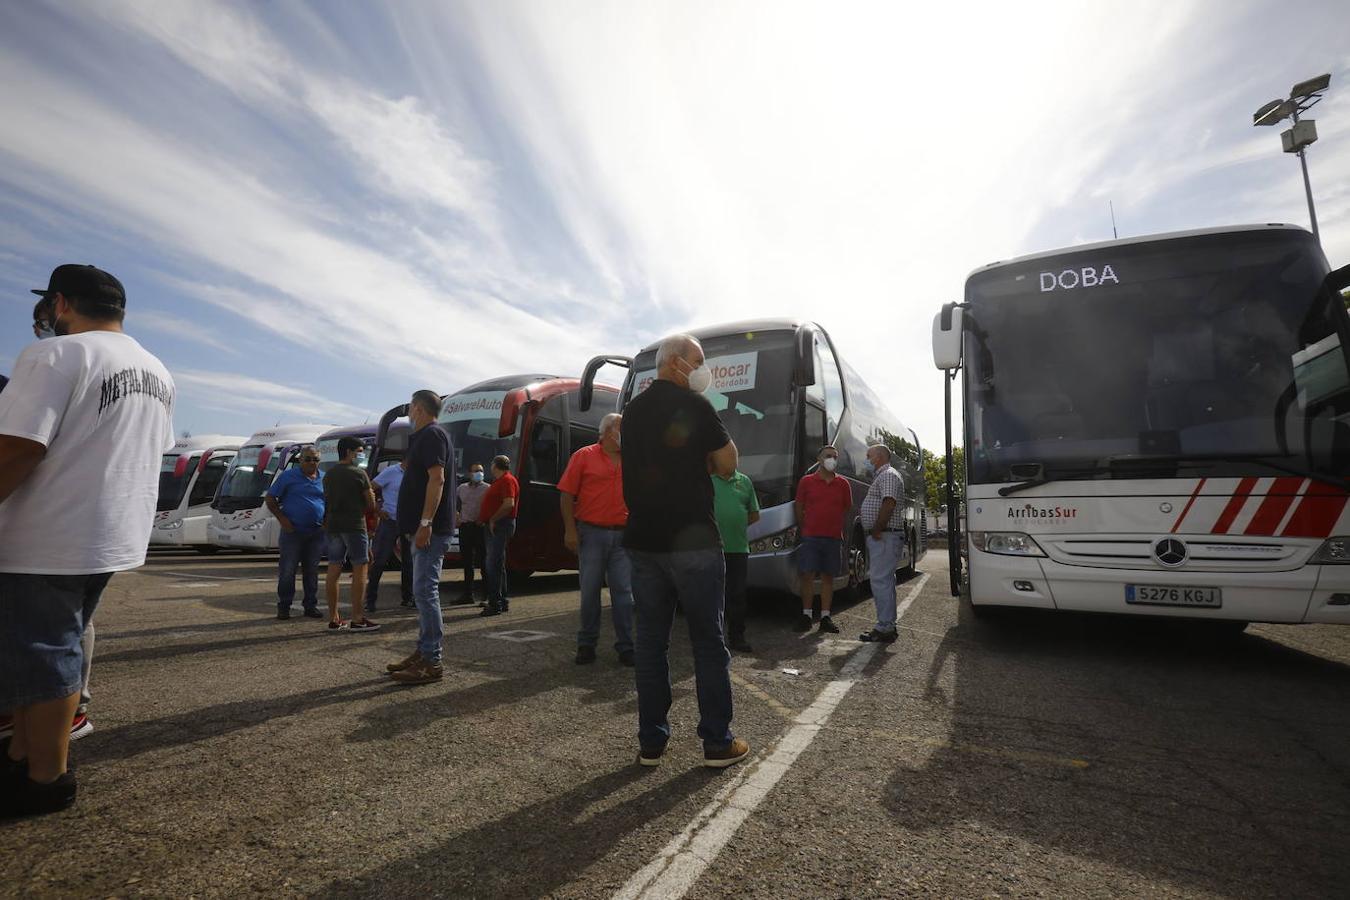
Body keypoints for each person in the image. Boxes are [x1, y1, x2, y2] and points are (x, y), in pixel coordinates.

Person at [0, 264, 175, 817]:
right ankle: (23, 756)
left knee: (44, 653)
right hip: (109, 534)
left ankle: (46, 779)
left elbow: (21, 447)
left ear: (61, 304)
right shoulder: (156, 370)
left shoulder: (57, 355)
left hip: (45, 532)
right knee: (51, 650)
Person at [622, 333, 749, 769]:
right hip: (693, 543)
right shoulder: (696, 406)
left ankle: (651, 743)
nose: (702, 369)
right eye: (697, 361)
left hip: (642, 542)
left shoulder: (632, 412)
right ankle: (717, 742)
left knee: (651, 644)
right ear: (675, 363)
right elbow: (728, 463)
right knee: (709, 643)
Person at [386, 390, 455, 685]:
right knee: (423, 593)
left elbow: (437, 479)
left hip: (429, 528)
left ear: (417, 408)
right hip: (421, 528)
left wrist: (425, 523)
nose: (409, 413)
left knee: (426, 592)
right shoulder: (429, 436)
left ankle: (432, 661)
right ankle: (423, 651)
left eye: (411, 408)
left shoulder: (432, 435)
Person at [559, 413, 633, 666]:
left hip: (623, 535)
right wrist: (570, 530)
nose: (627, 433)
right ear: (608, 431)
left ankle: (626, 646)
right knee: (590, 592)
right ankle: (586, 644)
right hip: (591, 533)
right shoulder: (584, 455)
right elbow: (567, 494)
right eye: (623, 428)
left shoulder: (633, 459)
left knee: (624, 592)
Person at [793, 445, 851, 635]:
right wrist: (806, 528)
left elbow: (845, 508)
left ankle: (825, 616)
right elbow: (799, 507)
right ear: (819, 459)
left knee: (828, 578)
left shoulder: (843, 484)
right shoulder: (806, 482)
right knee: (807, 576)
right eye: (828, 456)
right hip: (810, 537)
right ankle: (806, 615)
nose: (832, 459)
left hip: (833, 538)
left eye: (835, 456)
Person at [323, 436, 378, 631]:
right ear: (348, 452)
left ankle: (334, 618)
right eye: (359, 451)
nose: (361, 455)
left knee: (333, 569)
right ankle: (357, 617)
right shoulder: (359, 474)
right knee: (360, 568)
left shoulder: (328, 475)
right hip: (354, 525)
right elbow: (371, 504)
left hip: (333, 526)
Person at [267, 446, 326, 620]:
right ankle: (284, 606)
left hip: (316, 533)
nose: (311, 463)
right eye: (307, 459)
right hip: (293, 532)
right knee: (288, 570)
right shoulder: (288, 476)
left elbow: (328, 501)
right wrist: (283, 520)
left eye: (315, 460)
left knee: (312, 571)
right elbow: (270, 499)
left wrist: (327, 520)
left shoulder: (324, 478)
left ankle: (310, 606)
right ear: (300, 460)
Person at [859, 444, 906, 644]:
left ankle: (885, 627)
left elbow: (889, 502)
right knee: (885, 581)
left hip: (884, 536)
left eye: (869, 456)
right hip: (885, 536)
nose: (867, 460)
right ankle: (887, 625)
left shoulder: (887, 475)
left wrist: (877, 528)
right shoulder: (885, 475)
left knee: (880, 581)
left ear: (879, 457)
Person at [713, 467, 760, 653]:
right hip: (713, 549)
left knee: (737, 595)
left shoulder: (745, 481)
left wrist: (736, 524)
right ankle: (714, 638)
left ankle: (737, 637)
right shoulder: (708, 480)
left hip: (738, 549)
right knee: (714, 596)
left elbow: (754, 514)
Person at [365, 460, 413, 613]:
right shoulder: (391, 472)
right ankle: (370, 600)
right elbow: (370, 488)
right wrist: (377, 509)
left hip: (409, 523)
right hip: (389, 521)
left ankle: (408, 598)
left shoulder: (419, 472)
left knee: (409, 562)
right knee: (380, 560)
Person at [478, 455, 520, 617]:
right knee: (497, 564)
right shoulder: (502, 481)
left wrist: (493, 519)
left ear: (495, 465)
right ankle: (502, 600)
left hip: (500, 525)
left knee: (492, 564)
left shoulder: (507, 480)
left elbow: (508, 503)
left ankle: (495, 603)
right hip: (497, 525)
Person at [454, 463, 489, 605]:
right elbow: (456, 506)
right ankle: (468, 594)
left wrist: (485, 519)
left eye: (481, 471)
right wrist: (456, 517)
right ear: (469, 473)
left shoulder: (488, 488)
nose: (478, 473)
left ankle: (486, 595)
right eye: (475, 471)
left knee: (484, 562)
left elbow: (492, 506)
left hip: (480, 528)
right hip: (465, 527)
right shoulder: (461, 488)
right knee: (467, 563)